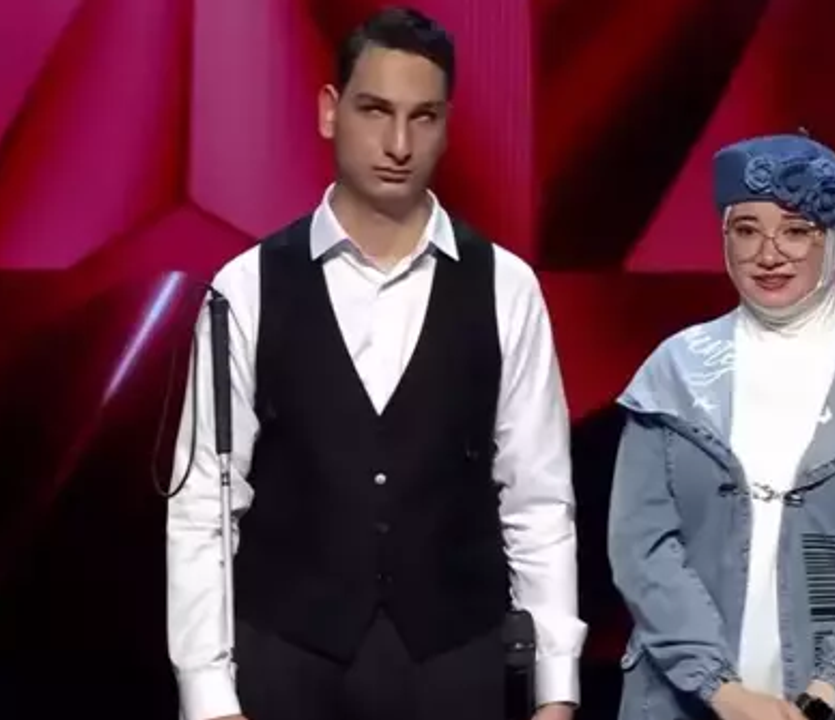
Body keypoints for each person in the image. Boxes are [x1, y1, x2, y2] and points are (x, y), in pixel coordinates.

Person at [165, 7, 585, 720]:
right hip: (287, 664)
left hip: (455, 664)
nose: (398, 144)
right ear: (330, 111)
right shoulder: (246, 286)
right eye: (375, 110)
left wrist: (556, 690)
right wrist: (207, 695)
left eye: (423, 117)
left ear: (446, 126)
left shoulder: (506, 287)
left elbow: (539, 500)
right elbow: (203, 502)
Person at [606, 133, 835, 720]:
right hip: (692, 698)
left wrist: (824, 697)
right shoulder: (674, 371)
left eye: (796, 231)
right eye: (747, 230)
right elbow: (642, 548)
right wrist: (722, 692)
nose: (768, 254)